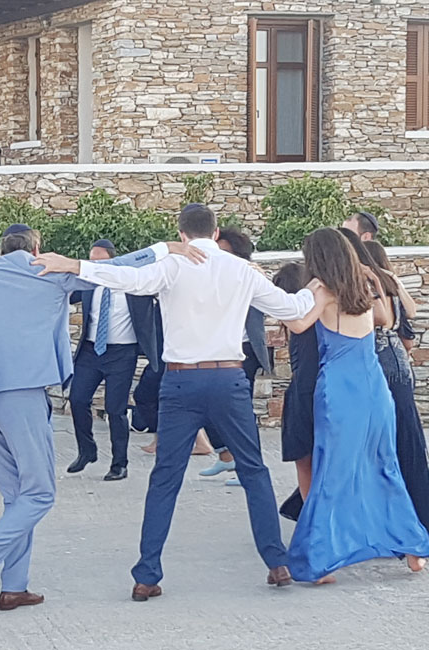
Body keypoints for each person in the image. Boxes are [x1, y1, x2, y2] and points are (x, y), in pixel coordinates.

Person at [32, 204, 319, 598]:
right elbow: (295, 309)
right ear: (216, 232)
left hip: (181, 380)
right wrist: (319, 286)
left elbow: (125, 277)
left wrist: (73, 265)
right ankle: (276, 561)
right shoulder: (241, 270)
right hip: (228, 377)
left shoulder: (172, 265)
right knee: (253, 469)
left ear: (182, 233)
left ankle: (147, 575)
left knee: (165, 478)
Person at [0, 224, 176, 611]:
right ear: (36, 247)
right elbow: (117, 268)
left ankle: (15, 587)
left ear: (1, 248)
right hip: (23, 391)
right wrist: (163, 248)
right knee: (41, 493)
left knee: (17, 497)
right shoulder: (50, 273)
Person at [281, 227, 429, 583]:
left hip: (340, 390)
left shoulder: (321, 291)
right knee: (384, 466)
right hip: (374, 387)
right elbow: (387, 321)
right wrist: (375, 282)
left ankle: (320, 561)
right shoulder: (363, 287)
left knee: (332, 471)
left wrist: (272, 301)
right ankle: (413, 547)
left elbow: (299, 325)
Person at [341, 231, 429, 539]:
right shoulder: (386, 278)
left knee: (381, 440)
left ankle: (394, 519)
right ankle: (416, 517)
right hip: (398, 360)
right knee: (403, 436)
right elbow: (409, 313)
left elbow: (380, 319)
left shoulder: (365, 281)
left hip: (378, 360)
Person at [66, 239, 162, 482]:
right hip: (90, 351)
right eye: (92, 261)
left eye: (101, 261)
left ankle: (119, 464)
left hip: (122, 353)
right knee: (77, 399)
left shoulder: (134, 285)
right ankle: (87, 451)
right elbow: (61, 293)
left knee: (115, 409)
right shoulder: (88, 284)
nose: (96, 266)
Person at [197, 227, 275, 487]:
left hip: (243, 350)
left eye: (224, 252)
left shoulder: (250, 275)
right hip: (214, 350)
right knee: (207, 406)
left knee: (240, 412)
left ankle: (249, 467)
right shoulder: (208, 276)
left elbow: (274, 298)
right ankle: (226, 455)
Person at [270, 263, 319, 515]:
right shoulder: (324, 315)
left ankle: (311, 516)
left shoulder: (297, 320)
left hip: (303, 392)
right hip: (325, 388)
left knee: (304, 460)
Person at [364, 240, 418, 352]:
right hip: (395, 347)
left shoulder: (369, 284)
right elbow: (411, 312)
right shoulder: (390, 284)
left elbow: (411, 312)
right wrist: (394, 279)